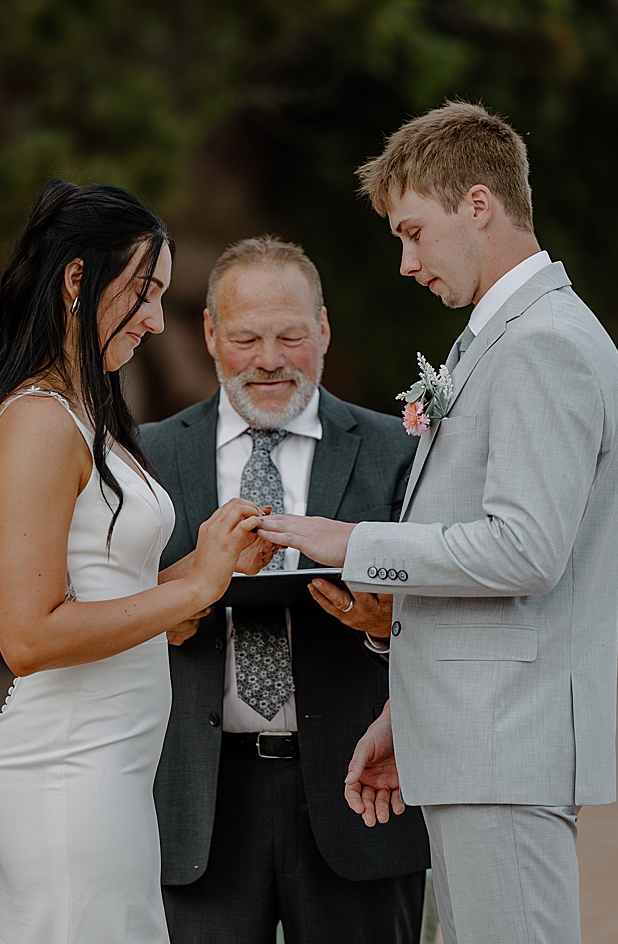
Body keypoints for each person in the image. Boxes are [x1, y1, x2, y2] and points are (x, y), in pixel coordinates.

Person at [257, 102, 618, 944]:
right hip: (474, 736)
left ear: (477, 205)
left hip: (508, 743)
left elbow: (525, 550)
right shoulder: (501, 337)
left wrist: (350, 543)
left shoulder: (543, 344)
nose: (405, 262)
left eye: (413, 232)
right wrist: (410, 709)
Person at [0, 182, 275, 944]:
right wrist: (196, 584)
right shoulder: (37, 421)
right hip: (67, 769)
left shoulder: (88, 415)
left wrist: (206, 567)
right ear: (75, 280)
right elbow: (27, 638)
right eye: (144, 291)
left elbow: (109, 596)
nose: (158, 321)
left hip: (114, 771)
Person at [139, 237, 429, 944]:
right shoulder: (148, 455)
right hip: (198, 799)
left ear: (323, 330)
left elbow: (449, 604)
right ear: (209, 334)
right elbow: (109, 607)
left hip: (361, 794)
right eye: (245, 338)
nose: (269, 359)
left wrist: (383, 621)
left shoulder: (400, 451)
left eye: (290, 336)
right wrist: (168, 612)